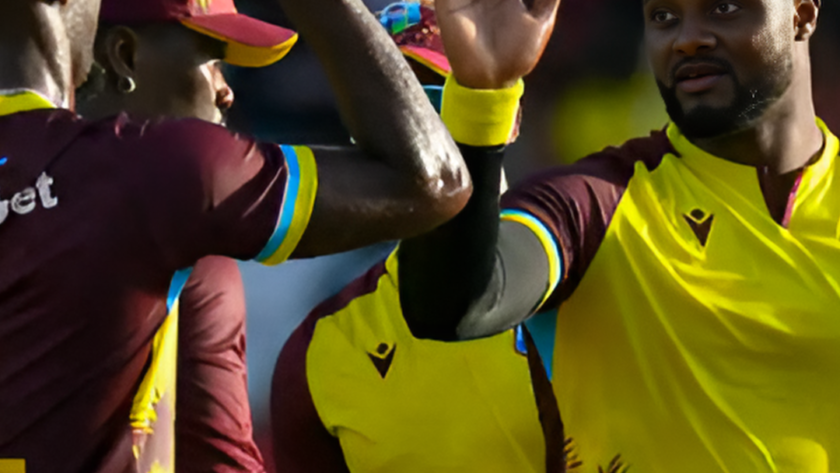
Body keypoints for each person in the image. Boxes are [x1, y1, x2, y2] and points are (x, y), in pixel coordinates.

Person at [0, 0, 473, 471]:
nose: (228, 92)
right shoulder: (158, 185)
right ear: (123, 56)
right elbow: (432, 181)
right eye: (212, 55)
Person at [397, 0, 840, 471]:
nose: (687, 38)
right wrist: (483, 96)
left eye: (724, 8)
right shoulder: (596, 202)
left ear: (802, 13)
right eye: (664, 17)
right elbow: (453, 304)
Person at [271, 1, 563, 472]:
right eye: (395, 106)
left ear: (511, 115)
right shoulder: (322, 348)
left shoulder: (594, 264)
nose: (421, 126)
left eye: (440, 92)